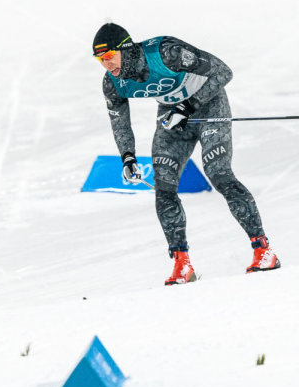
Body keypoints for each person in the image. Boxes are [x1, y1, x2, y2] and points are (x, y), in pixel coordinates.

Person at [93, 22, 280, 285]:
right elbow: (119, 121)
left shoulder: (167, 52)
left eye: (109, 56)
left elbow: (223, 72)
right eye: (100, 60)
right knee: (164, 186)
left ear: (125, 49)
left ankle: (264, 251)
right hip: (172, 116)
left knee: (220, 175)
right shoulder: (113, 82)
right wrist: (128, 156)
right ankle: (182, 264)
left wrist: (188, 106)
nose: (106, 64)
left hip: (208, 106)